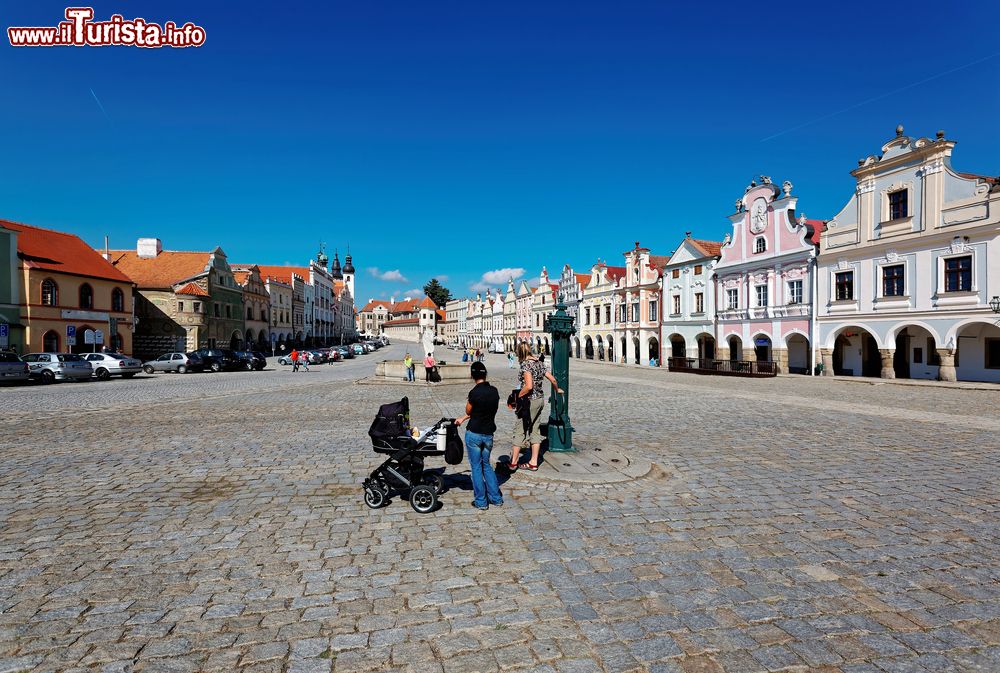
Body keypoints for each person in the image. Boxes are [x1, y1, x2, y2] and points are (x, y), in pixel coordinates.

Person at [454, 361, 502, 511]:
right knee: (486, 465)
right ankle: (496, 498)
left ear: (472, 375)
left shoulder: (474, 393)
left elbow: (469, 411)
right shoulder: (494, 391)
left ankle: (481, 501)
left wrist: (465, 416)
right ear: (485, 374)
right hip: (488, 434)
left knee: (476, 467)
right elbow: (485, 411)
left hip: (474, 434)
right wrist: (463, 418)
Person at [509, 342, 562, 472]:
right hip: (539, 400)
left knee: (520, 430)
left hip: (529, 402)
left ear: (520, 353)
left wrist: (517, 397)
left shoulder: (526, 365)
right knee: (535, 429)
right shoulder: (539, 363)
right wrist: (557, 389)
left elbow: (528, 386)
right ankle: (533, 462)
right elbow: (553, 379)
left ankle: (513, 462)